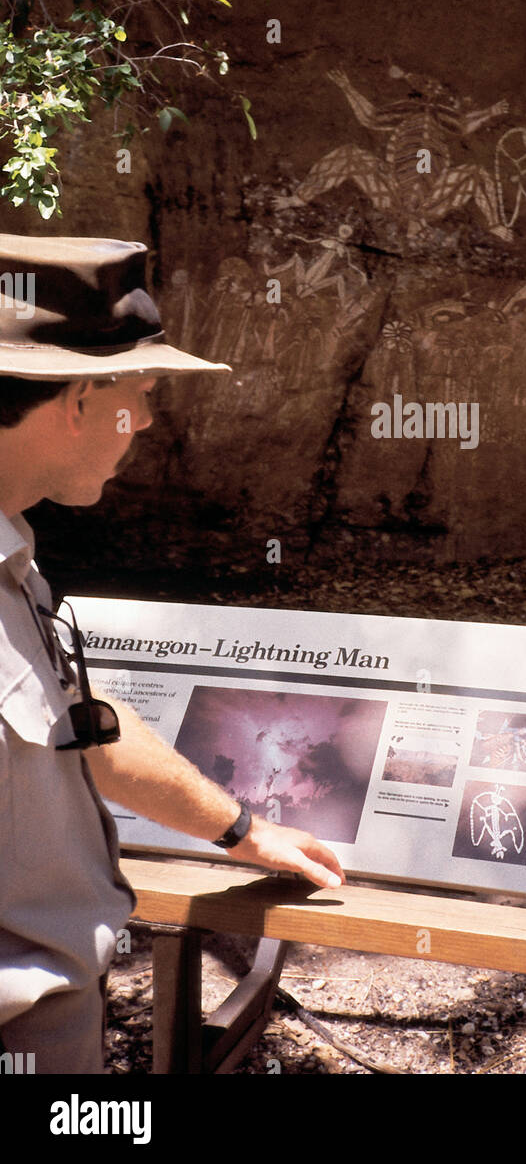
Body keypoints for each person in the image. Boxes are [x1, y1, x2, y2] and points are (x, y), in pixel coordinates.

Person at [0, 234, 344, 1074]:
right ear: (79, 397)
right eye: (142, 392)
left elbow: (84, 731)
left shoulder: (14, 560)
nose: (148, 421)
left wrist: (241, 830)